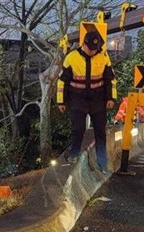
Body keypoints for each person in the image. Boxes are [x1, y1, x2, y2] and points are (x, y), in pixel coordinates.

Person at [57, 30, 116, 173]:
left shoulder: (103, 57)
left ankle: (102, 163)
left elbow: (110, 80)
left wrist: (110, 98)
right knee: (78, 129)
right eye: (90, 48)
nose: (92, 52)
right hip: (77, 99)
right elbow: (62, 82)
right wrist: (61, 102)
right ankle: (74, 154)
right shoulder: (71, 58)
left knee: (100, 132)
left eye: (95, 49)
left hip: (98, 100)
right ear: (84, 44)